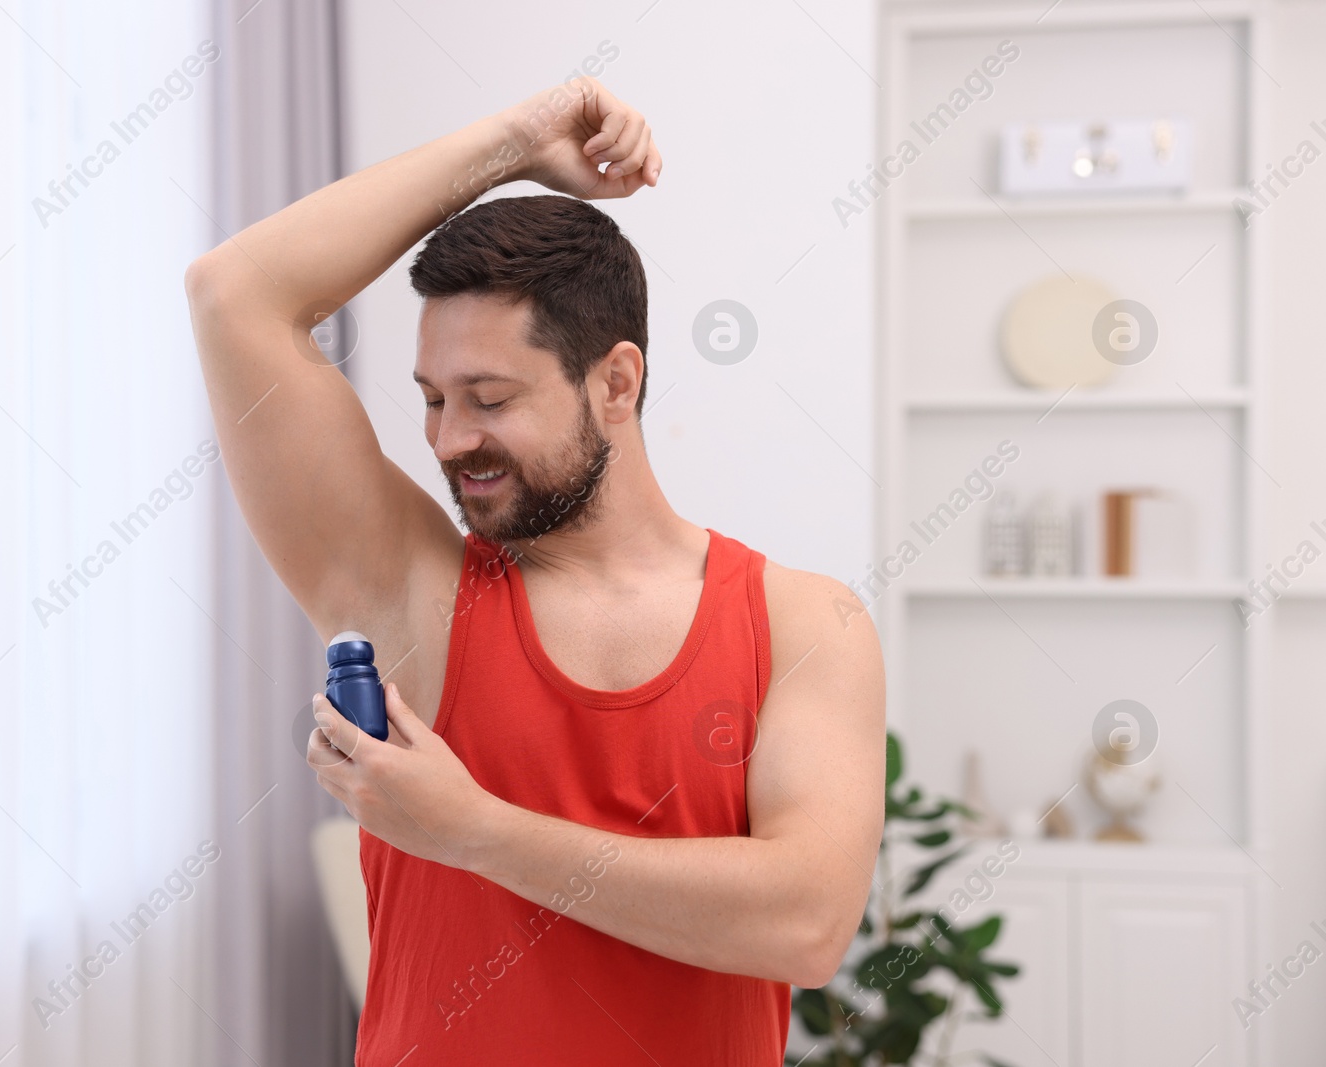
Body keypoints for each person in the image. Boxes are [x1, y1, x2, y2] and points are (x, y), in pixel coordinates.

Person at [184, 75, 884, 1066]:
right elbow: (235, 290)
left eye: (489, 396)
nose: (450, 437)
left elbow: (804, 920)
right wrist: (512, 143)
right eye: (431, 397)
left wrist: (473, 830)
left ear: (616, 382)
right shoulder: (408, 588)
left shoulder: (807, 624)